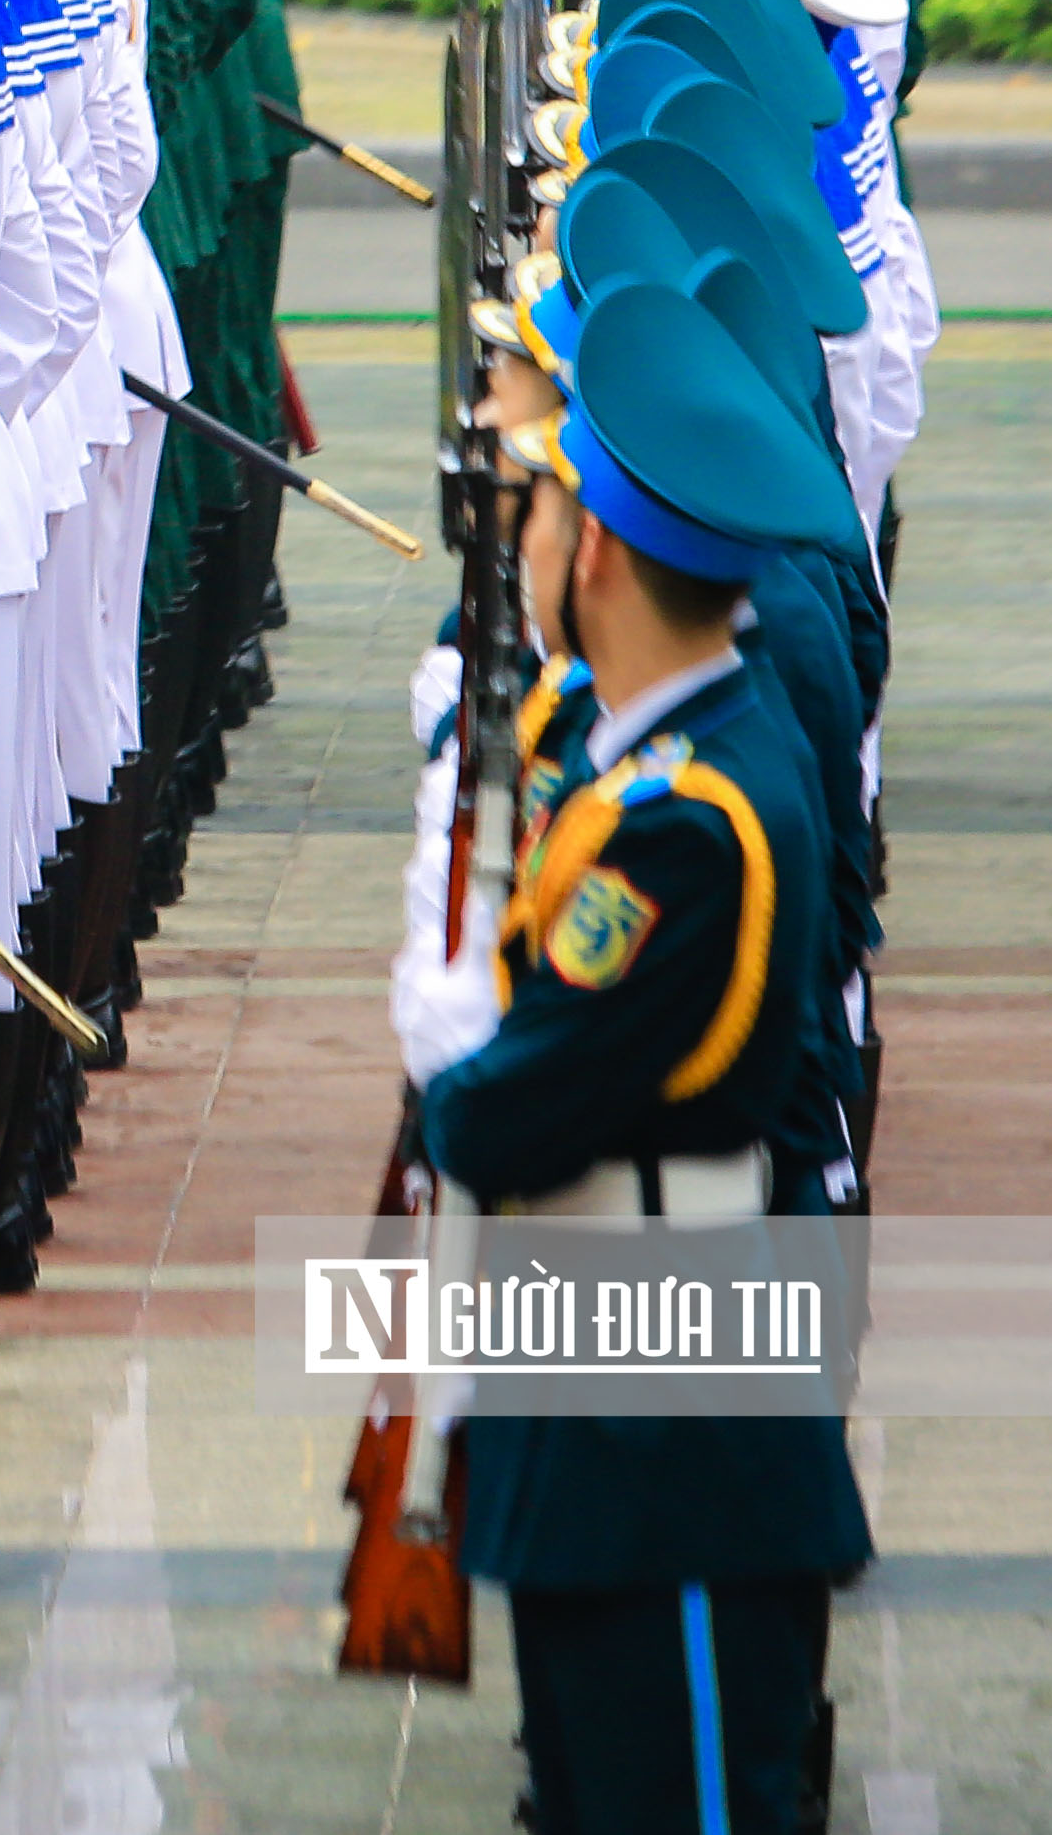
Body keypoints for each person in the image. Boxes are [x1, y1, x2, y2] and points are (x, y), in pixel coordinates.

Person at [408, 280, 870, 1835]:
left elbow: (501, 1109)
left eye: (537, 501)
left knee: (662, 1795)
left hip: (661, 1405)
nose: (522, 530)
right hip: (611, 1363)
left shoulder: (691, 822)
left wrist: (455, 1059)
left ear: (593, 545)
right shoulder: (651, 761)